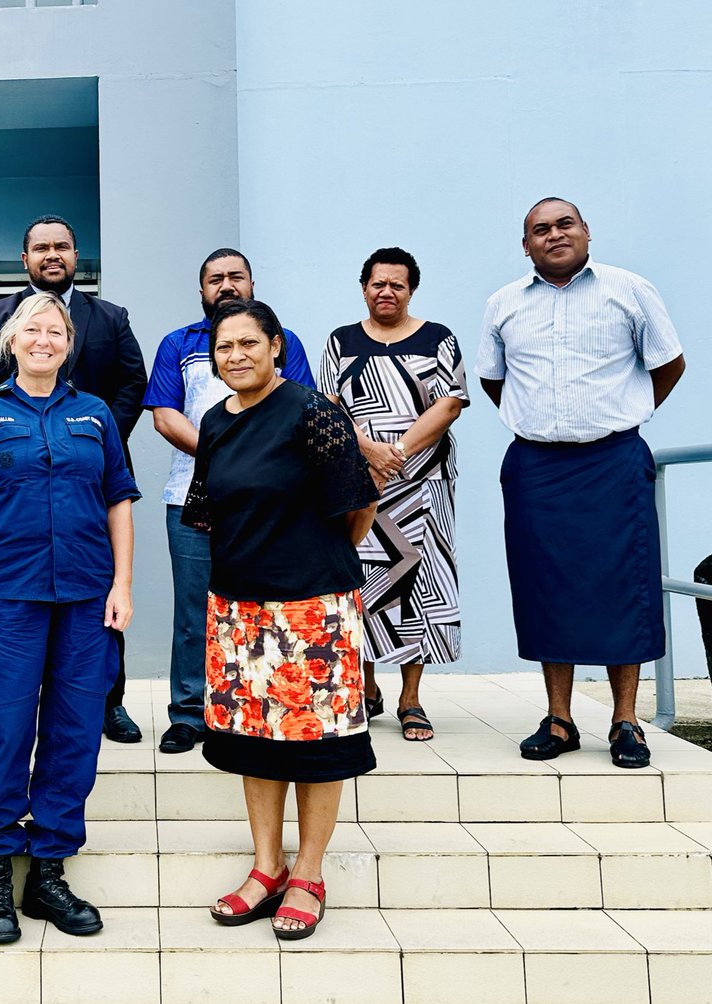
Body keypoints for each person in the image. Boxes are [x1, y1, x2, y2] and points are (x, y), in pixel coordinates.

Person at [0, 292, 139, 945]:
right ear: (12, 341)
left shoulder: (96, 415)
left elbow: (119, 503)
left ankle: (47, 871)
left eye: (56, 330)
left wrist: (122, 585)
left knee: (76, 732)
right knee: (5, 729)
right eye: (34, 329)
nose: (45, 338)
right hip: (9, 596)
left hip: (86, 596)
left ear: (69, 342)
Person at [184, 299, 379, 940]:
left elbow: (357, 506)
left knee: (318, 745)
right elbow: (212, 512)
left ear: (275, 346)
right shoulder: (213, 422)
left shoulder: (313, 412)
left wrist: (314, 567)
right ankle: (266, 868)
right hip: (239, 609)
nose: (235, 355)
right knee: (254, 744)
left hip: (313, 607)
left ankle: (310, 873)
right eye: (223, 347)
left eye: (248, 343)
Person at [475, 197, 686, 769]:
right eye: (539, 230)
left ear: (587, 232)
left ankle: (626, 721)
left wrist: (624, 414)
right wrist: (545, 424)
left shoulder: (630, 290)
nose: (554, 234)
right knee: (548, 589)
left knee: (627, 587)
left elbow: (669, 364)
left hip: (613, 462)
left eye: (564, 224)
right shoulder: (503, 304)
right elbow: (495, 381)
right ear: (526, 246)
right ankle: (561, 720)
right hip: (537, 469)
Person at [0, 214, 147, 743]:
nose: (52, 255)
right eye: (41, 247)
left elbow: (131, 382)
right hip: (15, 479)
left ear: (75, 256)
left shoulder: (110, 316)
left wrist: (92, 431)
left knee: (102, 595)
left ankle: (108, 703)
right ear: (24, 259)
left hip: (92, 476)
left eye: (62, 247)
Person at [144, 248, 316, 754]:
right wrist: (227, 454)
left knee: (261, 605)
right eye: (214, 279)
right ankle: (189, 713)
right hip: (191, 499)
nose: (225, 285)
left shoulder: (285, 342)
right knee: (195, 611)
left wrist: (249, 462)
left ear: (252, 283)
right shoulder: (179, 344)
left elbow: (301, 408)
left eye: (235, 277)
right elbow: (164, 415)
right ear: (201, 290)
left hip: (271, 504)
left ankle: (250, 705)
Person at [319, 247, 469, 742]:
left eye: (397, 285)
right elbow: (329, 408)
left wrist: (397, 451)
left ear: (411, 290)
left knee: (421, 588)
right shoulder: (341, 341)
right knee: (358, 582)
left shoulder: (438, 339)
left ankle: (411, 698)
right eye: (378, 283)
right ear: (364, 288)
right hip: (360, 485)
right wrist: (369, 451)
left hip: (423, 485)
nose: (387, 292)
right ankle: (366, 687)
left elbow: (449, 405)